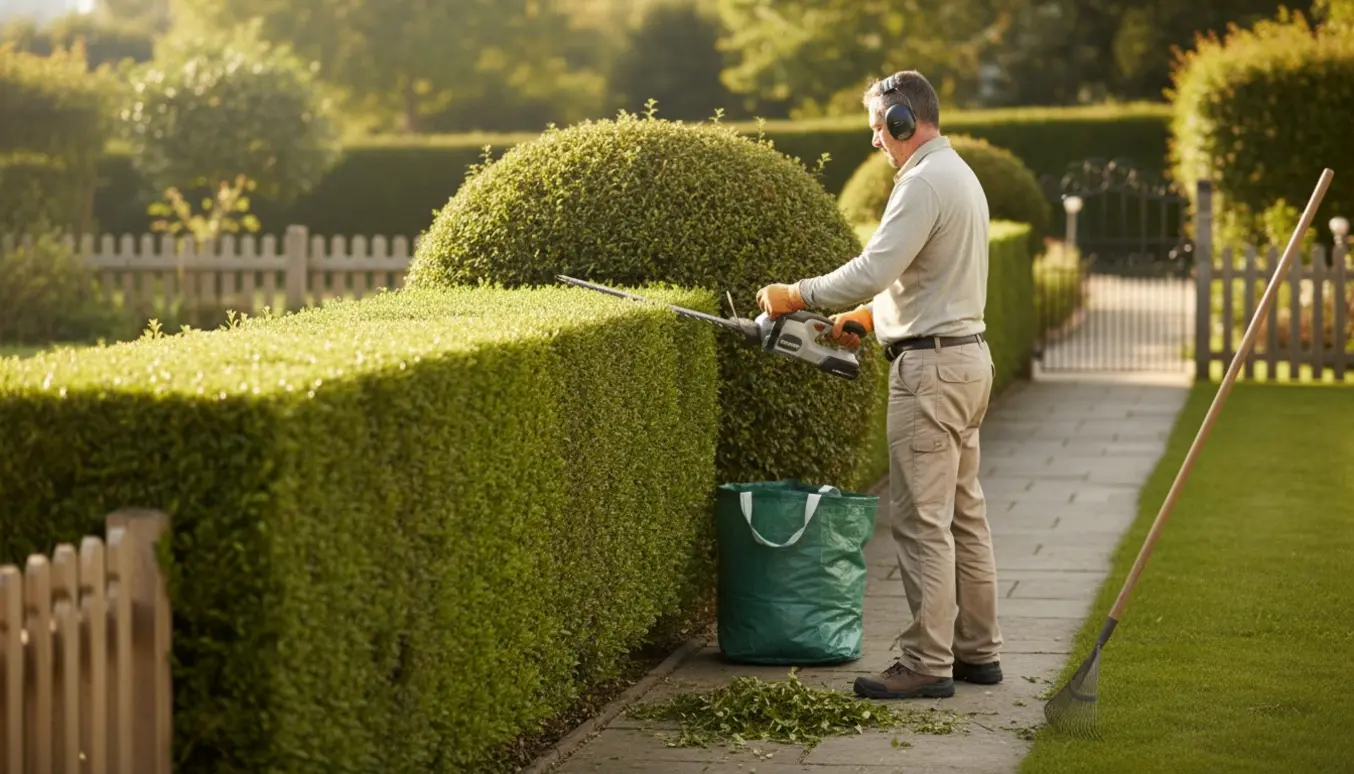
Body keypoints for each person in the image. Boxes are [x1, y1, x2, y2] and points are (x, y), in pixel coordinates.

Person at [755, 69, 1003, 700]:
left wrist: (798, 294)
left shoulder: (921, 181)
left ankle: (927, 662)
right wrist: (872, 319)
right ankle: (978, 653)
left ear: (901, 121)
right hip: (966, 358)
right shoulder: (959, 174)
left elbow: (874, 267)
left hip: (930, 373)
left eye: (877, 128)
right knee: (964, 517)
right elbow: (929, 276)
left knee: (922, 521)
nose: (875, 142)